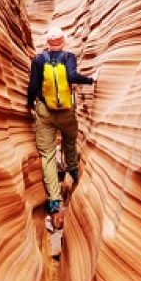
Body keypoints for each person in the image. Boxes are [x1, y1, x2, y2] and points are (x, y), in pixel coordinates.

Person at [26, 26, 96, 221]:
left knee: (47, 155)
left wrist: (30, 104)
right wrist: (90, 80)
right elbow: (73, 77)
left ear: (48, 43)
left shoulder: (39, 60)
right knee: (69, 141)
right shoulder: (69, 57)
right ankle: (73, 169)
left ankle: (54, 201)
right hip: (66, 111)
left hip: (45, 111)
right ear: (63, 42)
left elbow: (33, 86)